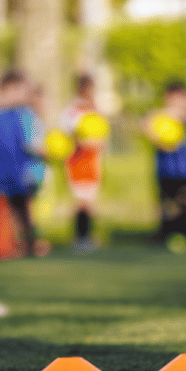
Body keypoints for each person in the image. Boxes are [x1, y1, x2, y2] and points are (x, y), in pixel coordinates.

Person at [0, 70, 41, 256]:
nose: (24, 95)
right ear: (7, 89)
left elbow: (26, 144)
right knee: (0, 210)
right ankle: (0, 246)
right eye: (20, 90)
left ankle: (28, 244)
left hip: (18, 172)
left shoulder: (19, 115)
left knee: (23, 209)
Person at [143, 81, 186, 243]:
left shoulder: (182, 114)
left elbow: (180, 117)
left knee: (181, 202)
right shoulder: (160, 116)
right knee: (165, 203)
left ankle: (184, 234)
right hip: (165, 167)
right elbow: (147, 124)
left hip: (182, 168)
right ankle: (165, 233)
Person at [60, 74, 105, 251]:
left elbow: (102, 135)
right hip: (77, 161)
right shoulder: (72, 111)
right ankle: (80, 237)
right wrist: (80, 140)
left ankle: (88, 236)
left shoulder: (95, 110)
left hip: (92, 161)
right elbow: (69, 134)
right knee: (81, 202)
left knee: (90, 202)